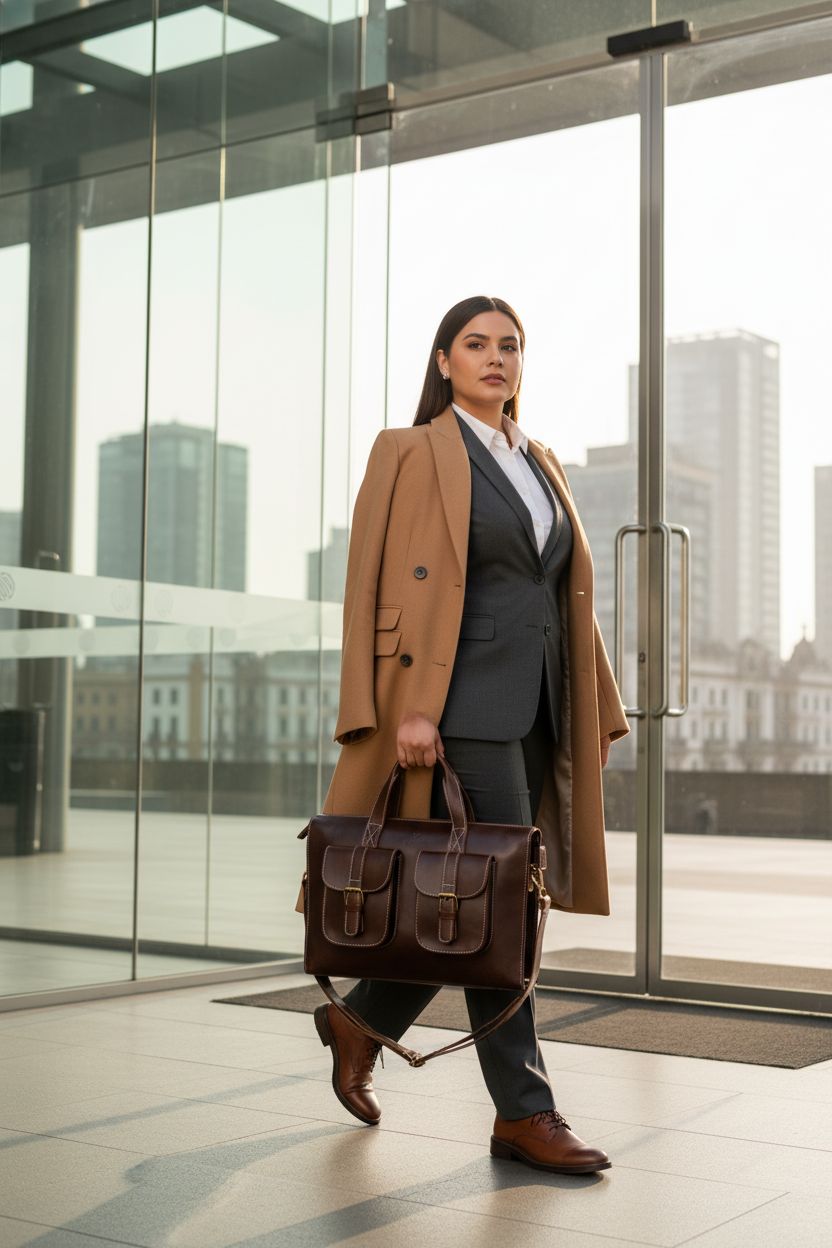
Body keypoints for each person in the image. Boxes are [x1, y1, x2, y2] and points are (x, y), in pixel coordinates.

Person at [312, 295, 629, 1175]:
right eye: (477, 345)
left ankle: (360, 1018)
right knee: (508, 908)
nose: (497, 358)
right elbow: (373, 590)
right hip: (455, 715)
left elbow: (565, 600)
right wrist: (400, 706)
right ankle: (524, 1112)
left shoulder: (541, 461)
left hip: (538, 710)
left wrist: (594, 710)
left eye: (511, 347)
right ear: (445, 360)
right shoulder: (408, 450)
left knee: (484, 903)